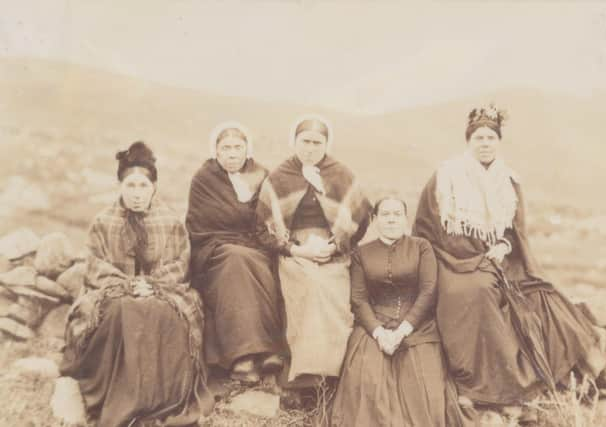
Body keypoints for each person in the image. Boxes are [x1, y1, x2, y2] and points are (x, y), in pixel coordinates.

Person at [412, 105, 605, 412]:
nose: (485, 143)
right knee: (477, 292)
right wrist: (473, 255)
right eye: (479, 137)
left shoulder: (509, 180)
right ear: (468, 141)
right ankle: (488, 385)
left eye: (491, 137)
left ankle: (546, 377)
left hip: (502, 260)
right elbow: (428, 227)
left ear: (498, 142)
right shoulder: (446, 176)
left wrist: (503, 244)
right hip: (453, 260)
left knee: (544, 298)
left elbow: (517, 230)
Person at [60, 141, 206, 427]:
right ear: (120, 187)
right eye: (130, 186)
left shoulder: (170, 222)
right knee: (122, 312)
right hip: (113, 293)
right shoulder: (103, 222)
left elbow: (180, 263)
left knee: (163, 315)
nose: (137, 194)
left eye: (143, 186)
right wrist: (125, 286)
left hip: (162, 293)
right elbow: (94, 264)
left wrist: (153, 285)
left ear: (154, 187)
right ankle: (115, 397)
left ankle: (160, 399)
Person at [331, 197, 473, 427]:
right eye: (385, 214)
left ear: (405, 219)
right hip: (373, 327)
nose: (391, 219)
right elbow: (358, 299)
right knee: (366, 382)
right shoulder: (361, 253)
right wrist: (379, 333)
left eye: (397, 214)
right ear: (375, 220)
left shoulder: (421, 247)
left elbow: (428, 291)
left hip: (417, 327)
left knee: (425, 389)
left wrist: (401, 331)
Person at [255, 114, 372, 387]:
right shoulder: (280, 176)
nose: (310, 148)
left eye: (317, 143)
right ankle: (307, 374)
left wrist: (335, 246)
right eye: (304, 141)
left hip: (333, 250)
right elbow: (262, 227)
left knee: (335, 292)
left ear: (326, 144)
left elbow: (361, 216)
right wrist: (296, 250)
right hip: (294, 251)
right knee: (310, 286)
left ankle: (334, 371)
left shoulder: (340, 173)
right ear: (294, 142)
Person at [186, 122, 285, 384]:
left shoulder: (262, 175)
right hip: (214, 248)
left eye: (237, 147)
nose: (232, 153)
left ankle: (266, 353)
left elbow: (271, 217)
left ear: (247, 150)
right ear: (216, 152)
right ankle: (244, 357)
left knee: (254, 262)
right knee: (235, 260)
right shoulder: (204, 178)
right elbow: (201, 222)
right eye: (225, 148)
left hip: (255, 246)